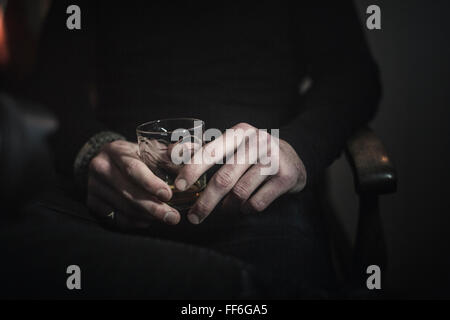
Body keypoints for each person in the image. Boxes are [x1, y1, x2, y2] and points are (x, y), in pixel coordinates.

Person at [8, 0, 381, 298]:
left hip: (254, 197)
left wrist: (297, 147)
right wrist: (92, 151)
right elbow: (52, 84)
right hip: (117, 195)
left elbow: (352, 76)